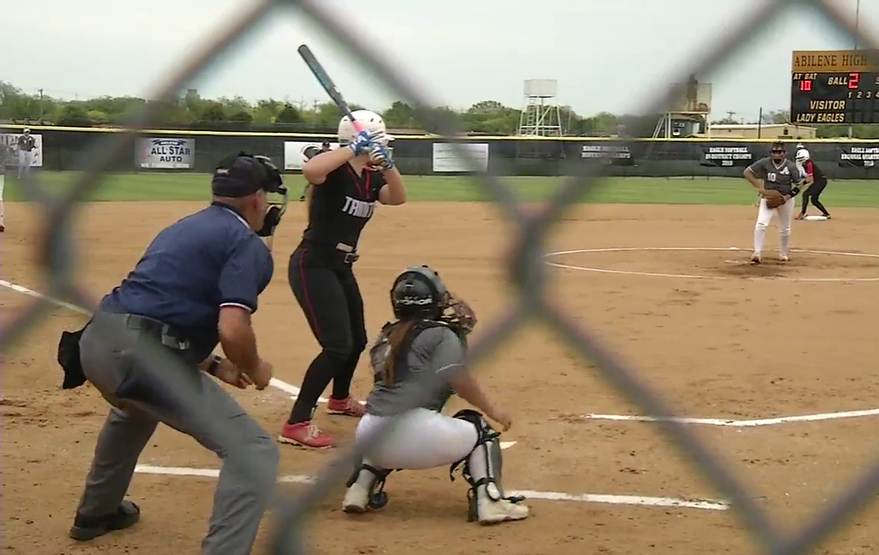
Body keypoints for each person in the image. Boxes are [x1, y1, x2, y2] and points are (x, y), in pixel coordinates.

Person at [59, 153, 289, 554]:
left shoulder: (183, 228)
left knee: (134, 409)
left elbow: (155, 310)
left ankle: (97, 513)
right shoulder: (245, 243)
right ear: (256, 199)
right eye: (266, 196)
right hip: (141, 356)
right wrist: (254, 366)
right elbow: (232, 326)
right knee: (253, 449)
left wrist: (216, 365)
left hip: (97, 343)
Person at [341, 265, 530, 525]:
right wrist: (493, 409)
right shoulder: (441, 335)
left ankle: (359, 488)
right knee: (479, 428)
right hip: (418, 433)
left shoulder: (385, 336)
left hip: (369, 436)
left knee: (384, 423)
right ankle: (490, 502)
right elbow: (457, 378)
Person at [279, 110, 407, 449]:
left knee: (358, 339)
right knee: (336, 346)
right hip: (313, 264)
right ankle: (296, 422)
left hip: (340, 266)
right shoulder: (334, 169)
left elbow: (398, 197)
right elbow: (311, 171)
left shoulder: (371, 176)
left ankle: (338, 399)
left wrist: (388, 164)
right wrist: (354, 148)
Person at [743, 141, 805, 264]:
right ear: (771, 153)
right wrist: (759, 187)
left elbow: (799, 184)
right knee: (761, 223)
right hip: (769, 198)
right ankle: (757, 252)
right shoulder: (765, 162)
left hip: (785, 199)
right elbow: (747, 172)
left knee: (785, 228)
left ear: (784, 153)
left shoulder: (791, 166)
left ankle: (783, 253)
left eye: (779, 152)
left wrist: (786, 197)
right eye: (774, 152)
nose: (777, 154)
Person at [794, 148, 831, 220]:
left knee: (805, 194)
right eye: (799, 158)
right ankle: (826, 214)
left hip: (821, 181)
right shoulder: (805, 164)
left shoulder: (809, 163)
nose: (800, 160)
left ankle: (803, 213)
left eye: (801, 158)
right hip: (819, 181)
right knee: (814, 200)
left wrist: (801, 184)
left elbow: (810, 179)